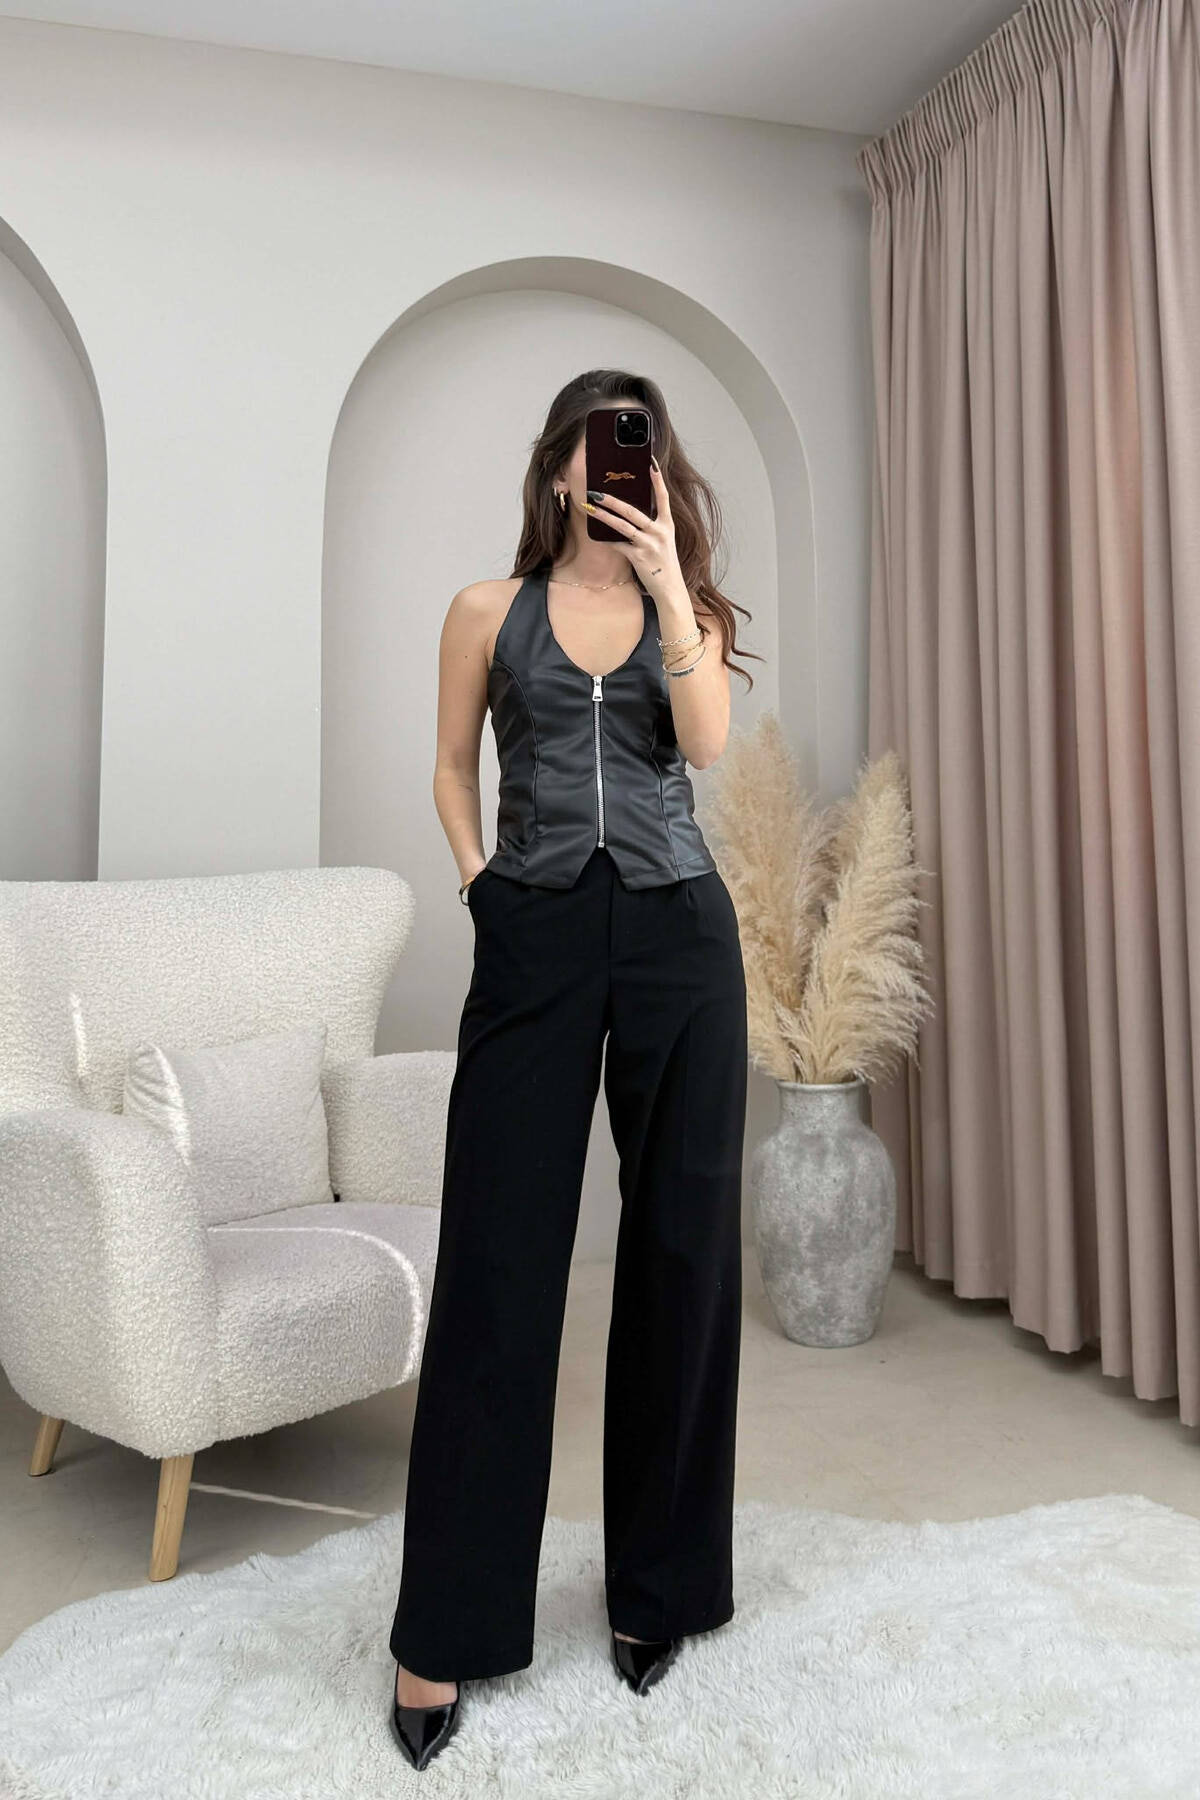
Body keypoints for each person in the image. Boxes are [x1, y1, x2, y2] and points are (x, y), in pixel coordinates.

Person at [388, 371, 757, 1771]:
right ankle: (446, 1628)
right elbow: (448, 768)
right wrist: (480, 882)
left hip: (678, 934)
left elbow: (706, 746)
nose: (617, 473)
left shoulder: (690, 612)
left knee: (681, 1256)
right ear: (558, 470)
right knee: (499, 1265)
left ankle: (662, 1590)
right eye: (599, 451)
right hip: (534, 932)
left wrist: (668, 588)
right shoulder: (486, 611)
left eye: (639, 453)